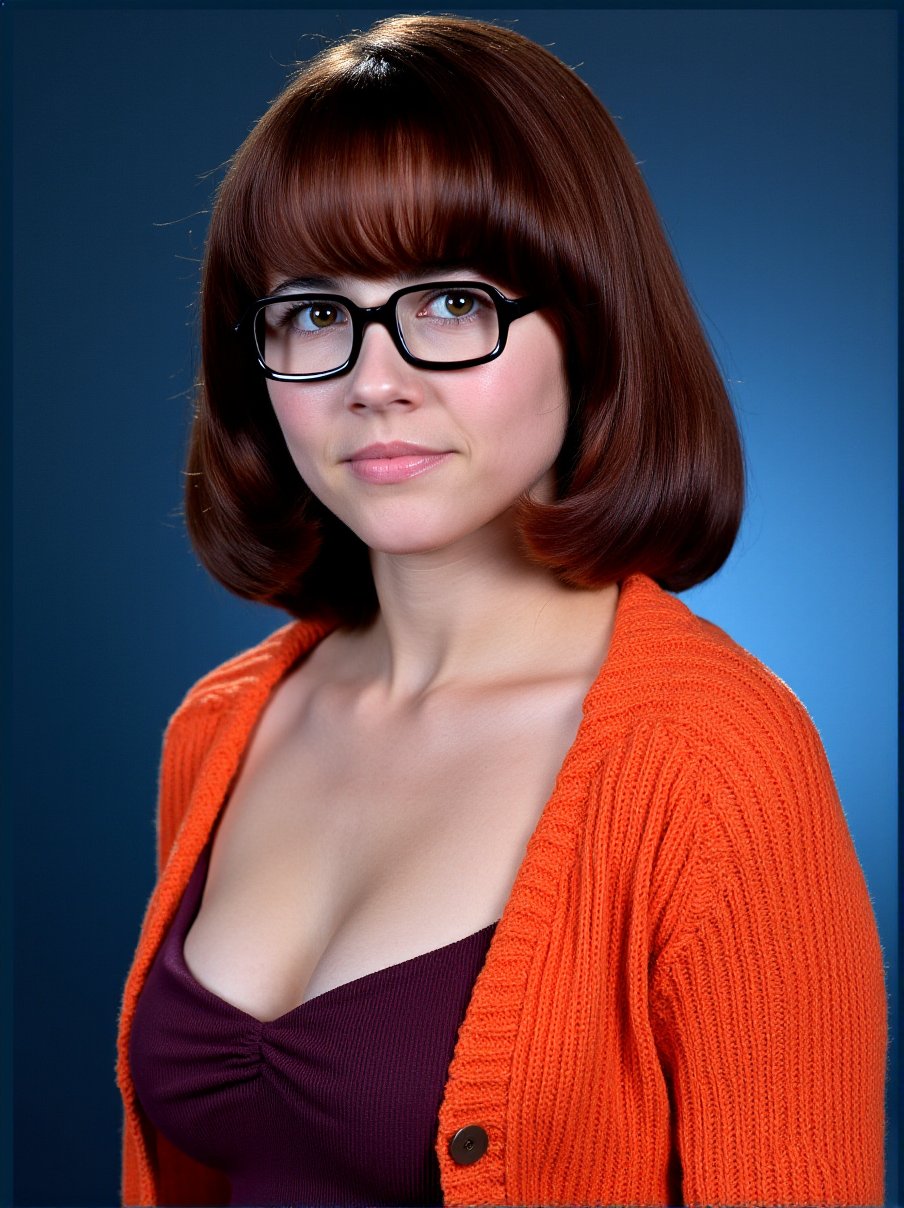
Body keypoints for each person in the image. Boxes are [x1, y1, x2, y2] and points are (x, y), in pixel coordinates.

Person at [115, 14, 887, 1208]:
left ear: (587, 322)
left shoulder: (717, 766)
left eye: (451, 301)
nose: (377, 381)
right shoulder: (218, 728)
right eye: (316, 311)